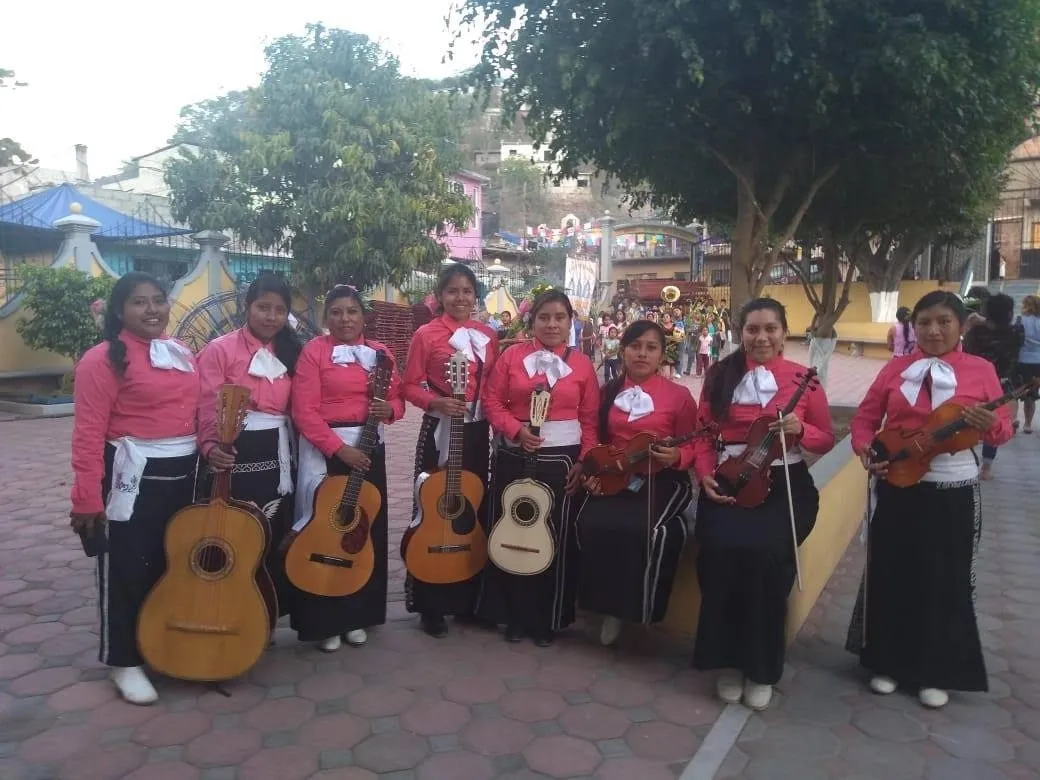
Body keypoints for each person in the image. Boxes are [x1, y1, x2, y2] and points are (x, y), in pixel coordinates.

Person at [846, 290, 1012, 709]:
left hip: (952, 489)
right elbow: (866, 419)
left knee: (946, 579)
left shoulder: (981, 371)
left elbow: (1002, 432)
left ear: (960, 326)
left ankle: (936, 671)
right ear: (913, 326)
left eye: (943, 322)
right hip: (899, 483)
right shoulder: (896, 369)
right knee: (891, 572)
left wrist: (992, 423)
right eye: (924, 323)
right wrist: (866, 449)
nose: (933, 330)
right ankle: (886, 662)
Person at [692, 298, 834, 710]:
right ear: (741, 333)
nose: (761, 337)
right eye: (752, 329)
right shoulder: (720, 374)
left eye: (770, 328)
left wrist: (801, 428)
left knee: (766, 561)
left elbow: (825, 437)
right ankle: (727, 662)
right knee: (720, 556)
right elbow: (703, 434)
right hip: (728, 479)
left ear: (784, 332)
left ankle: (762, 667)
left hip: (785, 483)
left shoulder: (804, 378)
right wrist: (704, 473)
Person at [69, 272, 200, 705]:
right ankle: (124, 660)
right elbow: (88, 435)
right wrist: (87, 498)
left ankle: (163, 644)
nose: (152, 310)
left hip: (185, 474)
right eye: (139, 303)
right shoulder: (102, 360)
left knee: (173, 564)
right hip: (132, 478)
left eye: (158, 301)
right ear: (119, 311)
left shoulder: (179, 352)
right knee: (128, 568)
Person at [479, 289, 599, 646]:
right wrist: (515, 430)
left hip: (562, 461)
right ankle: (512, 615)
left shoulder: (582, 365)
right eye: (544, 317)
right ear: (531, 322)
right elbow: (491, 401)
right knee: (511, 531)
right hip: (513, 456)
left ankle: (547, 618)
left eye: (559, 317)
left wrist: (583, 460)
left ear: (570, 322)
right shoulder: (511, 356)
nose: (551, 324)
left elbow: (590, 420)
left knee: (554, 538)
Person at [290, 284, 404, 651]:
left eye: (352, 311)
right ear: (326, 318)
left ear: (362, 316)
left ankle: (358, 614)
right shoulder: (314, 353)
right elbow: (304, 411)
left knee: (363, 530)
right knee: (325, 531)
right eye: (336, 312)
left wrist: (391, 411)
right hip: (329, 451)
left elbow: (397, 399)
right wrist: (340, 450)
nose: (344, 319)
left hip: (371, 449)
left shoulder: (381, 353)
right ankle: (326, 621)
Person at [576, 321, 697, 646]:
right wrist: (591, 471)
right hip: (615, 474)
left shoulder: (679, 397)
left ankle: (634, 610)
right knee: (591, 521)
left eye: (651, 347)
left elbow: (696, 446)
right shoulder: (608, 392)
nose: (642, 353)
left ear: (661, 354)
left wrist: (677, 457)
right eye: (635, 345)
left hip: (663, 478)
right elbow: (596, 436)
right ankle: (602, 607)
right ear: (623, 349)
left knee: (636, 528)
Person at [196, 274, 302, 626]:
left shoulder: (291, 351)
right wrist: (211, 447)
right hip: (233, 450)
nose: (271, 317)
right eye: (263, 307)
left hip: (277, 454)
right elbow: (208, 404)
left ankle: (263, 616)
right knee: (232, 533)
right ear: (247, 307)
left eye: (279, 310)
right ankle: (223, 610)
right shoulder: (220, 350)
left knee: (270, 532)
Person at [402, 264, 499, 637]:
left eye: (467, 291)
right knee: (432, 507)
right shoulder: (426, 335)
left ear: (476, 296)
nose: (461, 298)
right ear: (440, 296)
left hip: (476, 432)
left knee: (470, 509)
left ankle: (467, 600)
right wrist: (436, 403)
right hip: (440, 428)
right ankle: (430, 604)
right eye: (453, 291)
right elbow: (410, 386)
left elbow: (492, 386)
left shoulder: (487, 335)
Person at [962, 293, 1023, 479]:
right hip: (1001, 384)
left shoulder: (976, 333)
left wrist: (976, 322)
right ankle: (986, 468)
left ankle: (967, 457)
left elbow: (965, 352)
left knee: (969, 418)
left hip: (974, 382)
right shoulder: (1016, 332)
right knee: (993, 423)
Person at [1017, 295, 1040, 434]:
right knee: (1032, 393)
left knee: (1023, 392)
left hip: (1024, 359)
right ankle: (1028, 423)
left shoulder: (1020, 320)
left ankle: (1021, 422)